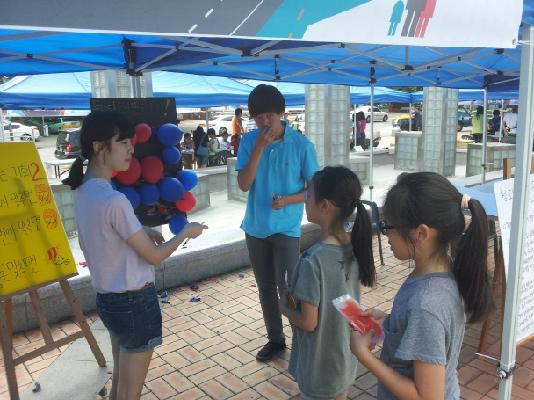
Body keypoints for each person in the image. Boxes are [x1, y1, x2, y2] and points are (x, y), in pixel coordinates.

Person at [62, 111, 206, 400]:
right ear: (99, 147)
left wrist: (141, 229)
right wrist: (184, 233)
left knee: (120, 387)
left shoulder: (84, 192)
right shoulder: (114, 200)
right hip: (135, 304)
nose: (131, 149)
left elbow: (108, 234)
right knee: (130, 393)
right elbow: (154, 257)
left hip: (108, 301)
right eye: (123, 142)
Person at [350, 172, 492, 400]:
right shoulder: (440, 275)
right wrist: (390, 322)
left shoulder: (426, 305)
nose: (385, 235)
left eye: (388, 226)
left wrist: (363, 356)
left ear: (421, 233)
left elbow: (427, 397)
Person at [236, 84, 319, 362]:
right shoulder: (249, 142)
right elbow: (244, 184)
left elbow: (314, 191)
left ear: (282, 113)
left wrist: (288, 199)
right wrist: (259, 148)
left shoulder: (302, 146)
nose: (263, 122)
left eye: (269, 115)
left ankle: (301, 340)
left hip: (286, 229)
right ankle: (275, 339)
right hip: (255, 229)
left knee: (290, 288)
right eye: (258, 117)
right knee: (266, 288)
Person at [279, 166, 376, 400]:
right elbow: (346, 302)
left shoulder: (313, 261)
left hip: (319, 366)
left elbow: (308, 322)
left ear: (325, 206)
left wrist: (283, 304)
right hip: (344, 357)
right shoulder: (354, 246)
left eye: (308, 195)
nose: (304, 199)